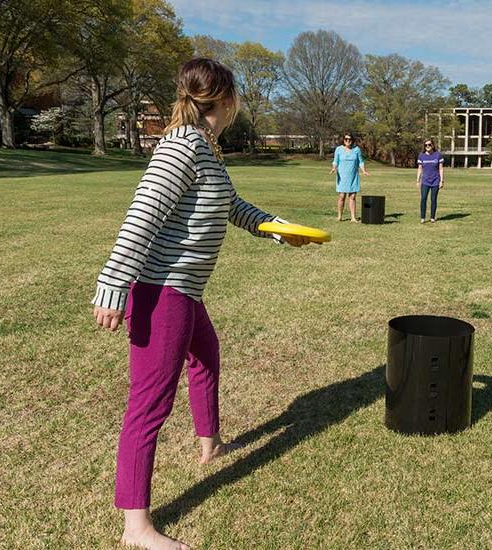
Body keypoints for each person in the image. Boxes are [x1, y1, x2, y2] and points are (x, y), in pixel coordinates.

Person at [92, 57, 310, 550]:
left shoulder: (207, 150)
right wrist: (112, 285)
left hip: (186, 291)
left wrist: (278, 229)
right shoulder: (180, 148)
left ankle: (210, 442)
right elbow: (142, 216)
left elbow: (231, 206)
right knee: (148, 405)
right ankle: (136, 527)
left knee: (206, 356)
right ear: (227, 100)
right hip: (162, 292)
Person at [329, 132, 369, 222]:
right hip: (342, 177)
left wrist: (363, 171)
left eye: (349, 139)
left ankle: (353, 218)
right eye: (346, 139)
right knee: (342, 196)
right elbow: (335, 161)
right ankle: (339, 216)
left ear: (352, 140)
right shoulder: (339, 149)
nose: (348, 141)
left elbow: (360, 162)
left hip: (353, 176)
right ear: (343, 140)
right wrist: (334, 168)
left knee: (352, 197)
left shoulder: (357, 150)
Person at [416, 138, 444, 223]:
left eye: (429, 145)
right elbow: (420, 169)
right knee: (423, 198)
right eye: (426, 145)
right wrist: (418, 180)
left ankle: (432, 217)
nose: (427, 146)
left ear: (432, 145)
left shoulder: (438, 155)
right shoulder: (421, 155)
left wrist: (441, 181)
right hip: (425, 181)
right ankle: (423, 217)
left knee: (433, 199)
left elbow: (441, 169)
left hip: (435, 181)